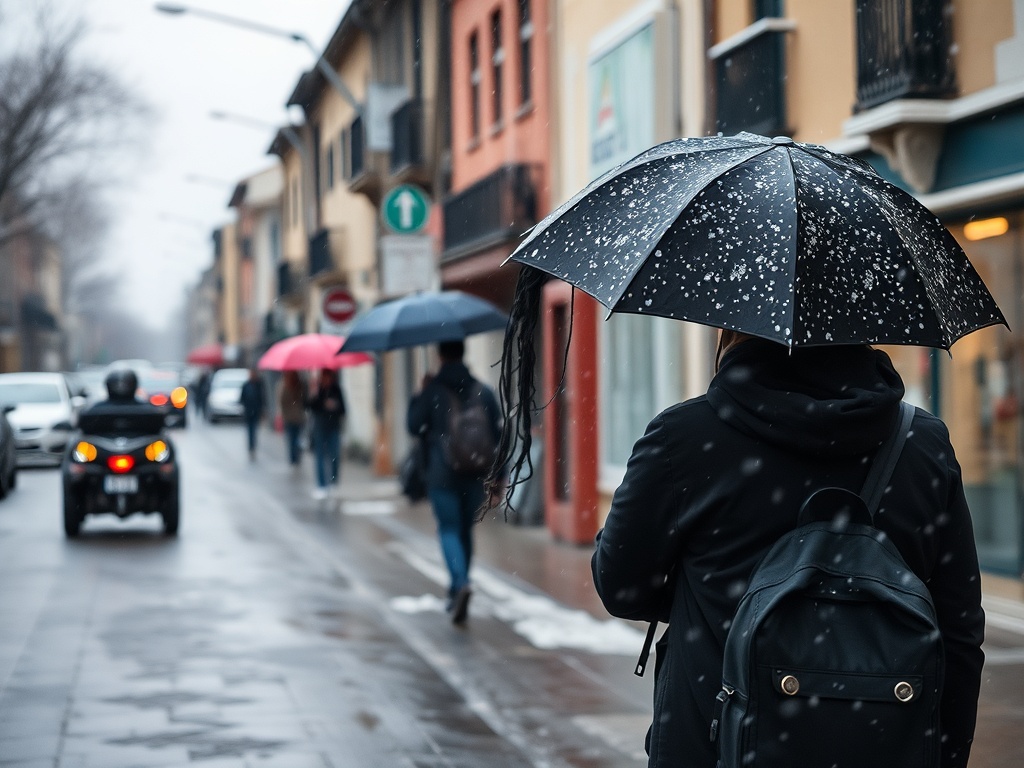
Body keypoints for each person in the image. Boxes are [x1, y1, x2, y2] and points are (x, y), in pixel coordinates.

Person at [583, 330, 984, 768]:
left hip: (715, 741)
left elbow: (620, 585)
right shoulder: (922, 443)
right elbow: (959, 629)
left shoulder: (685, 437)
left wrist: (706, 590)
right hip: (881, 742)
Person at [407, 340, 501, 625]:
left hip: (442, 472)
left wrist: (420, 394)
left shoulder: (434, 391)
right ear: (463, 353)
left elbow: (413, 425)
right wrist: (499, 474)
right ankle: (460, 585)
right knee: (464, 531)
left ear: (440, 355)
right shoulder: (482, 391)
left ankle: (459, 584)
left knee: (448, 528)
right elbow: (497, 435)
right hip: (475, 472)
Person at [80, 368, 165, 435]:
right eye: (117, 385)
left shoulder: (96, 408)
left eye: (126, 384)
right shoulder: (146, 408)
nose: (121, 388)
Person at [307, 368, 346, 499]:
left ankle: (333, 481)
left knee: (334, 455)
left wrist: (334, 406)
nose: (326, 380)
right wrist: (314, 395)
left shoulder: (336, 389)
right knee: (320, 457)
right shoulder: (318, 391)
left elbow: (343, 409)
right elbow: (310, 407)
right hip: (320, 428)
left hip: (333, 427)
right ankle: (321, 485)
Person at [277, 370, 307, 468]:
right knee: (296, 438)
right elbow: (304, 400)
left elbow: (282, 401)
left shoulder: (285, 386)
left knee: (291, 438)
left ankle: (293, 458)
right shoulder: (300, 385)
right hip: (298, 416)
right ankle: (296, 456)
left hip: (290, 417)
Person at [239, 369, 266, 461]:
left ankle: (253, 445)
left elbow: (262, 398)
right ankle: (251, 446)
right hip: (248, 411)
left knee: (254, 429)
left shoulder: (259, 384)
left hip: (256, 411)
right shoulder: (246, 385)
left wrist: (262, 410)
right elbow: (241, 398)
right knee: (250, 429)